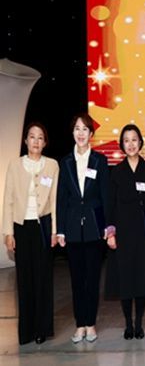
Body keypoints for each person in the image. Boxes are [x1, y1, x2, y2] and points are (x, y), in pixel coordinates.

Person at [2, 122, 59, 345]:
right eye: (32, 136)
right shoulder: (15, 165)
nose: (36, 141)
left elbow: (54, 201)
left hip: (43, 226)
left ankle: (42, 329)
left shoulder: (52, 165)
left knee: (43, 278)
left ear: (45, 142)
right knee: (24, 279)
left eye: (40, 137)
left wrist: (55, 231)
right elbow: (8, 200)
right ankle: (26, 331)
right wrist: (8, 232)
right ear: (25, 140)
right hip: (21, 227)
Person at [56, 113, 110, 343]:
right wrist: (60, 230)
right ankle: (80, 324)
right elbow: (61, 198)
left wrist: (108, 225)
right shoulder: (65, 162)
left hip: (94, 228)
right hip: (72, 229)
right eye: (77, 128)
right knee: (77, 280)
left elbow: (106, 195)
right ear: (73, 133)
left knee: (92, 279)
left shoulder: (100, 160)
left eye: (85, 129)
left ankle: (91, 323)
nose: (80, 133)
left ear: (91, 134)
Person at [105, 124, 145, 340]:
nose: (131, 144)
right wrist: (111, 233)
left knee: (142, 279)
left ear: (140, 142)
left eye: (134, 139)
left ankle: (139, 324)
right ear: (122, 144)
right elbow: (110, 206)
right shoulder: (116, 172)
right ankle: (128, 324)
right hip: (123, 234)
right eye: (126, 140)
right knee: (126, 280)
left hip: (144, 233)